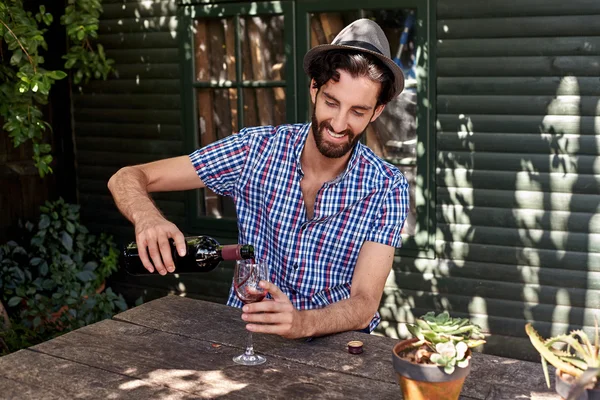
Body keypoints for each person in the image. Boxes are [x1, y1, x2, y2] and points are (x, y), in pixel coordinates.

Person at [108, 18, 409, 339]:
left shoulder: (387, 186)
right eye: (331, 102)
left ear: (376, 112)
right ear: (314, 89)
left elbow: (364, 303)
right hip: (250, 338)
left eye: (357, 111)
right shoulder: (255, 149)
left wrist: (303, 323)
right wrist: (148, 217)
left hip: (336, 348)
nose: (338, 123)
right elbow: (127, 177)